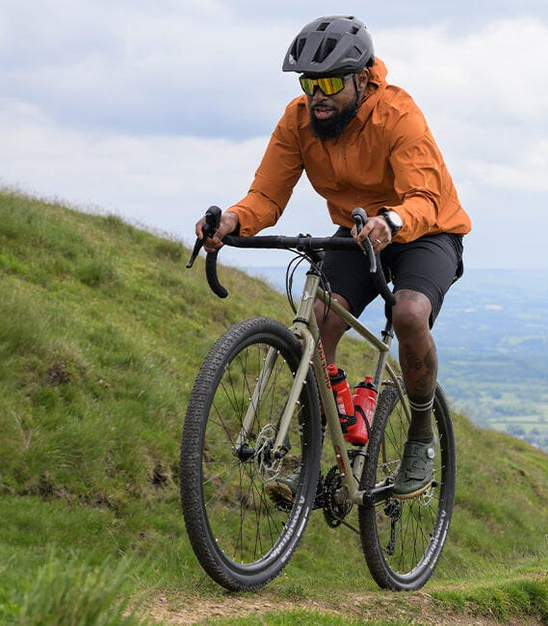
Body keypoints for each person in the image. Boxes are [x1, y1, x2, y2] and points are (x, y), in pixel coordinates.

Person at [197, 15, 471, 500]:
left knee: (408, 313)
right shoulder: (298, 120)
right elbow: (266, 194)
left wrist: (392, 221)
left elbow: (425, 197)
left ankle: (421, 433)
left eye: (327, 82)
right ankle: (309, 455)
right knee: (319, 319)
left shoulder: (398, 115)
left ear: (362, 78)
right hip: (357, 231)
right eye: (308, 83)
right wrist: (234, 220)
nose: (316, 96)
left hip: (424, 230)